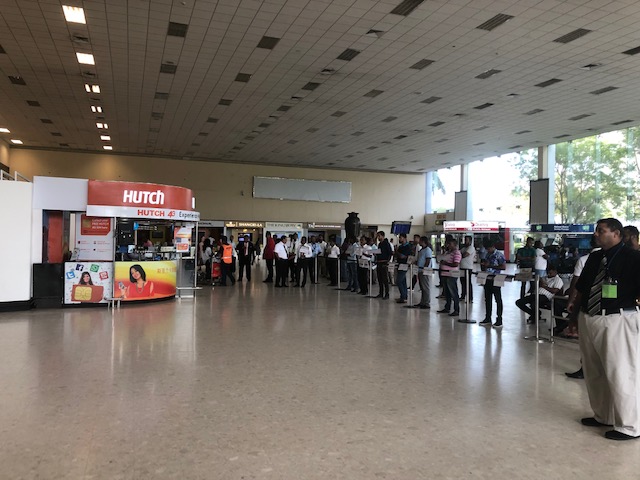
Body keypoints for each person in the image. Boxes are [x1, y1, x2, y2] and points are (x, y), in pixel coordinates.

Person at [567, 218, 640, 441]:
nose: (596, 234)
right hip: (590, 316)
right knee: (594, 370)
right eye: (596, 230)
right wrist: (574, 315)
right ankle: (603, 415)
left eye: (601, 231)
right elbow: (582, 288)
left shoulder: (633, 257)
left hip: (618, 319)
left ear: (616, 233)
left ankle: (629, 425)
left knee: (621, 372)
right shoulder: (595, 257)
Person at [479, 240, 506, 328]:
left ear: (493, 247)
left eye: (489, 249)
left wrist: (490, 265)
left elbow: (503, 267)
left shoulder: (499, 255)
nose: (488, 250)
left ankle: (499, 319)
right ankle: (488, 317)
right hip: (487, 278)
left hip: (497, 278)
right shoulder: (488, 254)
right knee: (487, 299)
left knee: (498, 299)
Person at [437, 238, 461, 316]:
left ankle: (456, 309)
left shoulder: (457, 253)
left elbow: (456, 264)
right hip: (445, 274)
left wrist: (445, 263)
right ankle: (447, 307)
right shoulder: (448, 252)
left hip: (451, 274)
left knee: (453, 292)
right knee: (447, 293)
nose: (448, 245)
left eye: (450, 244)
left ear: (455, 245)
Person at [409, 236, 432, 309]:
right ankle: (422, 302)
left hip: (424, 271)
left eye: (420, 241)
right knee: (422, 287)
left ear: (423, 241)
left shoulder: (428, 250)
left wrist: (424, 269)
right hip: (419, 270)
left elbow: (428, 260)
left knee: (425, 287)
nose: (419, 242)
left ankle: (426, 303)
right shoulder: (422, 250)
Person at [395, 233, 412, 304]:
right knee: (403, 281)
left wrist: (397, 251)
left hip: (404, 265)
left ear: (405, 238)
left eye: (400, 238)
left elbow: (402, 256)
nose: (399, 239)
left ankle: (403, 296)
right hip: (399, 264)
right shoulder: (401, 246)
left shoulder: (407, 247)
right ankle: (404, 296)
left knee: (398, 281)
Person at [374, 231, 392, 299]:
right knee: (380, 279)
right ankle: (381, 293)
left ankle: (387, 294)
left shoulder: (386, 244)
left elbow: (390, 253)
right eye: (377, 236)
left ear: (383, 236)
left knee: (385, 279)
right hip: (379, 262)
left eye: (379, 236)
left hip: (384, 263)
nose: (378, 237)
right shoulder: (379, 244)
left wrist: (387, 262)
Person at [459, 235, 475, 302]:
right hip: (462, 267)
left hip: (468, 268)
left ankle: (470, 298)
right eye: (464, 240)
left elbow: (464, 255)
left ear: (470, 241)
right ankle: (463, 296)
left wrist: (460, 255)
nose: (465, 241)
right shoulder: (463, 248)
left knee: (468, 283)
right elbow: (458, 254)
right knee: (462, 283)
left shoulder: (471, 248)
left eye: (466, 240)